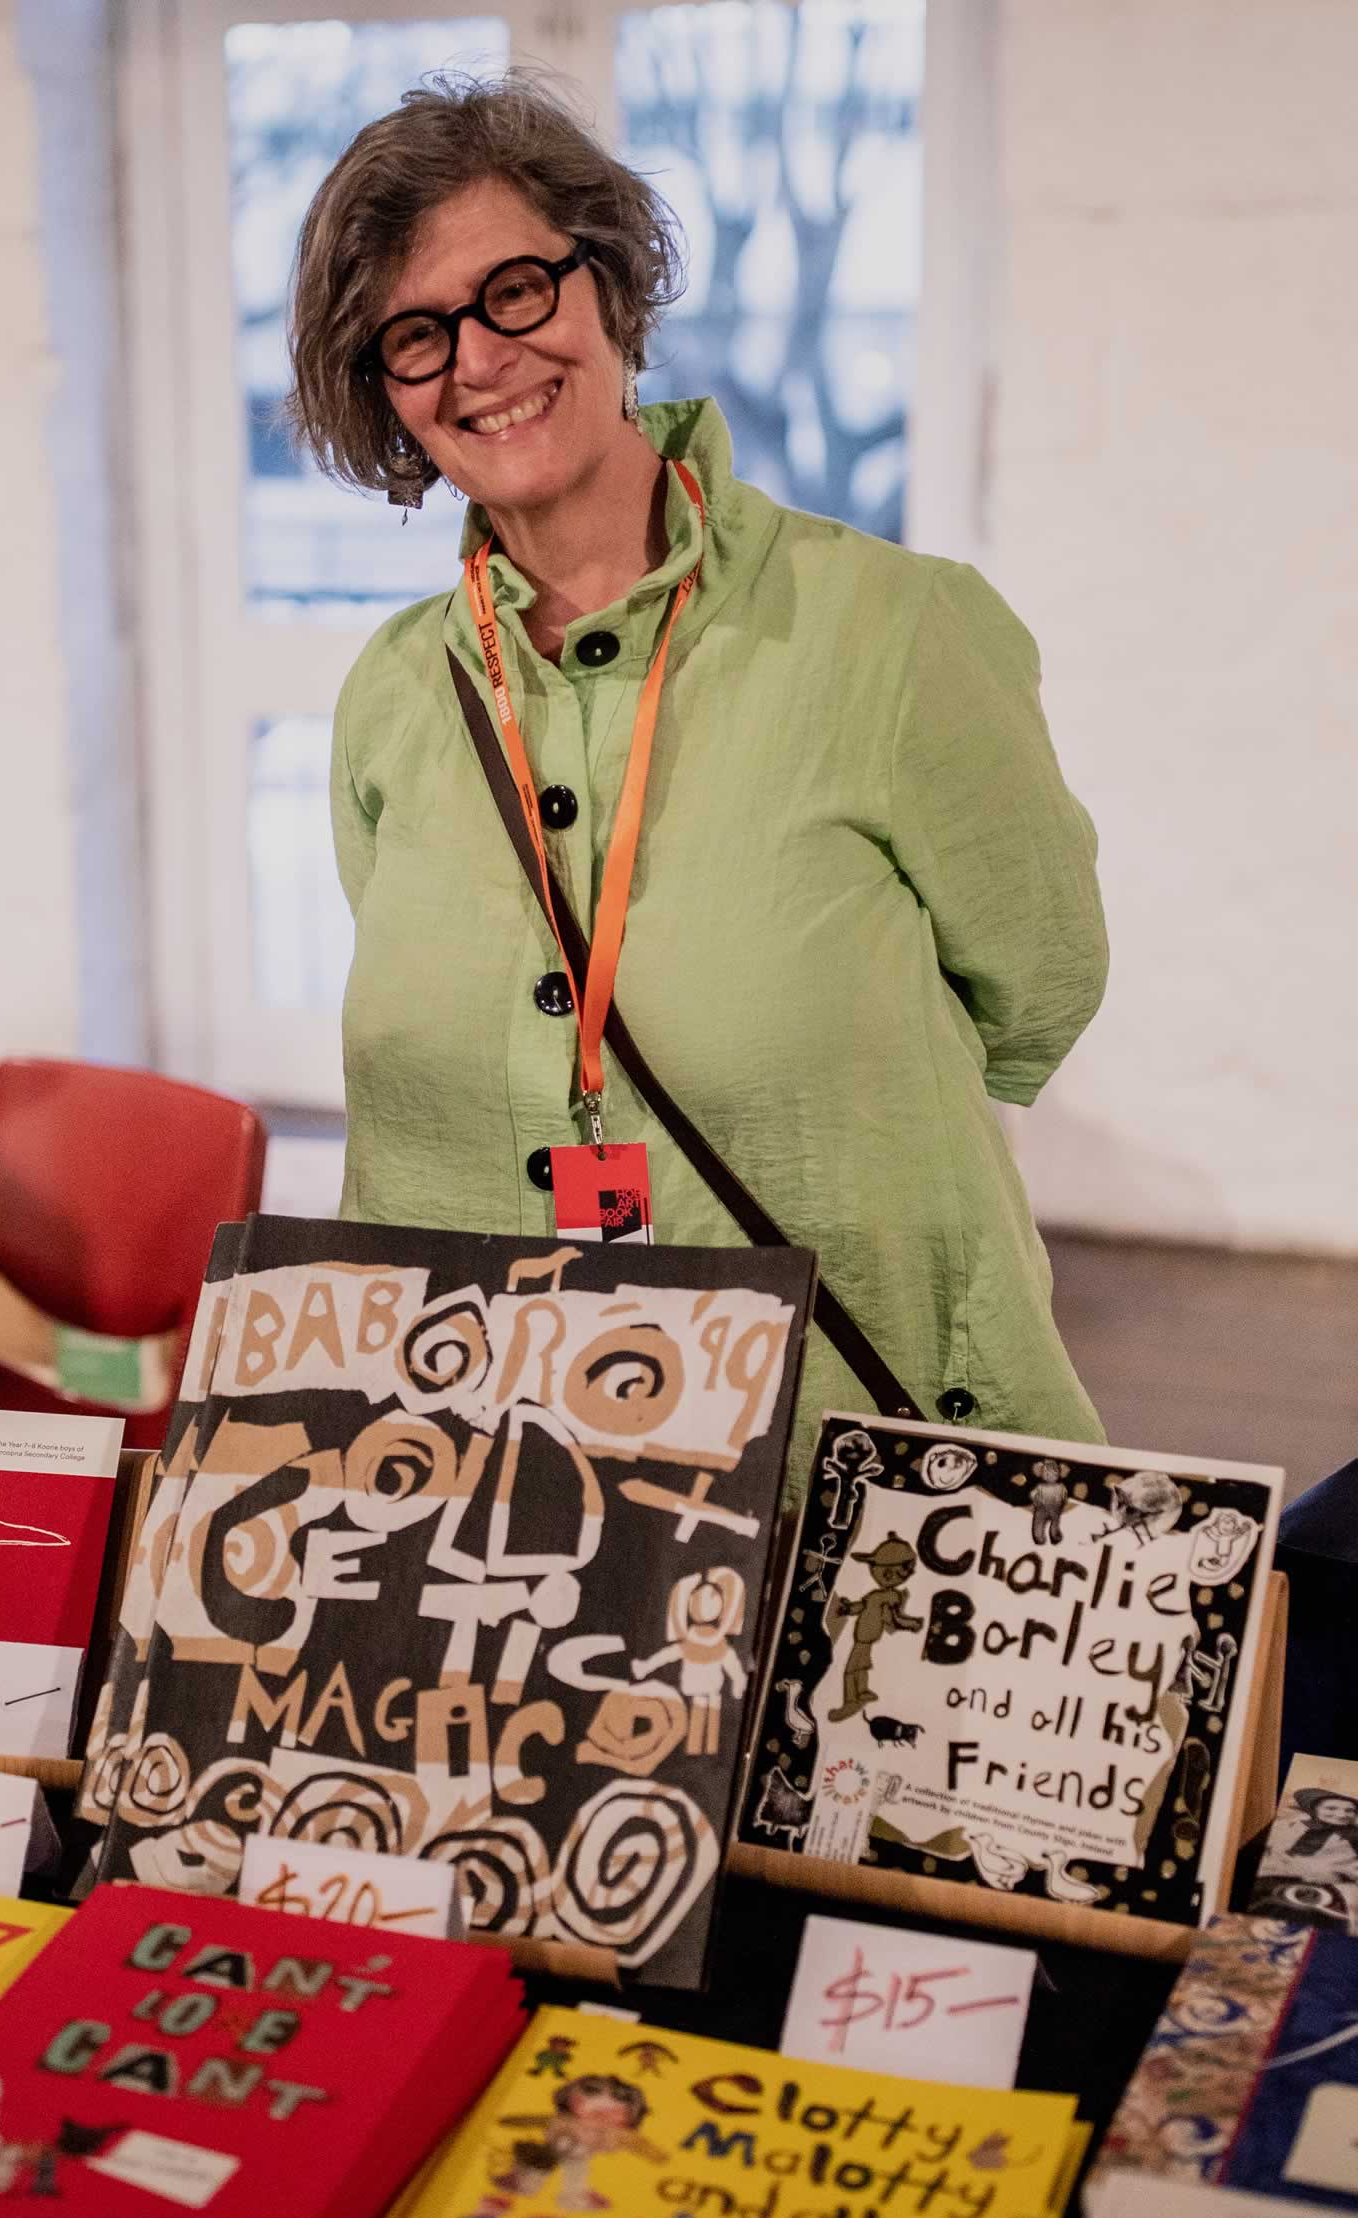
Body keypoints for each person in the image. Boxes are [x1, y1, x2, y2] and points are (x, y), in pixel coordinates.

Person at [286, 73, 1108, 1492]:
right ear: (388, 398)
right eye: (416, 336)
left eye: (518, 293)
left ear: (607, 290)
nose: (479, 360)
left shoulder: (891, 629)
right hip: (501, 1492)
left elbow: (1038, 984)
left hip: (849, 1461)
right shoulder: (394, 697)